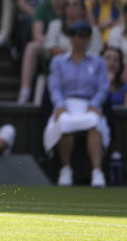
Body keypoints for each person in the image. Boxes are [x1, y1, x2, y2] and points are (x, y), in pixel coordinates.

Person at [44, 20, 110, 187]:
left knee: (95, 123)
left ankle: (97, 171)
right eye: (73, 35)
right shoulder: (58, 61)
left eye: (81, 36)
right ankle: (66, 169)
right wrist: (59, 106)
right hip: (66, 104)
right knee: (64, 122)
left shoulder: (98, 62)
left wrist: (95, 104)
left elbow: (103, 87)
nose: (76, 39)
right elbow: (55, 86)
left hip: (89, 105)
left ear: (88, 39)